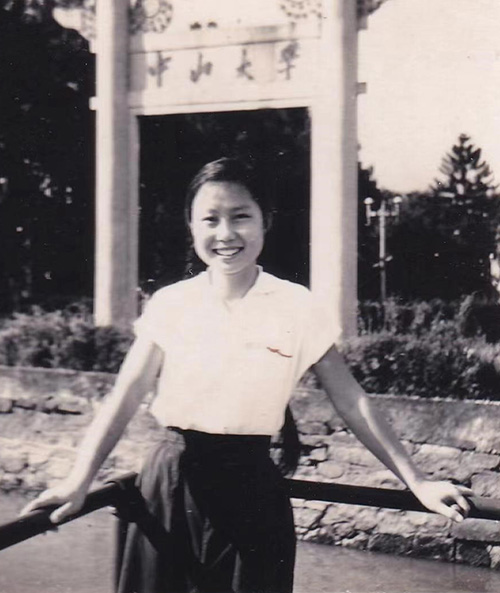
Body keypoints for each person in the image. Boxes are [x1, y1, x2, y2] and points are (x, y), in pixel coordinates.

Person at [22, 157, 472, 593]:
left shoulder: (297, 304)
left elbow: (351, 400)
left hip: (252, 489)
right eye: (210, 219)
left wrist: (417, 481)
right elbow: (126, 393)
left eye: (241, 216)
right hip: (167, 486)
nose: (225, 234)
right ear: (191, 226)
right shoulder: (171, 303)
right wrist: (78, 482)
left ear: (265, 221)